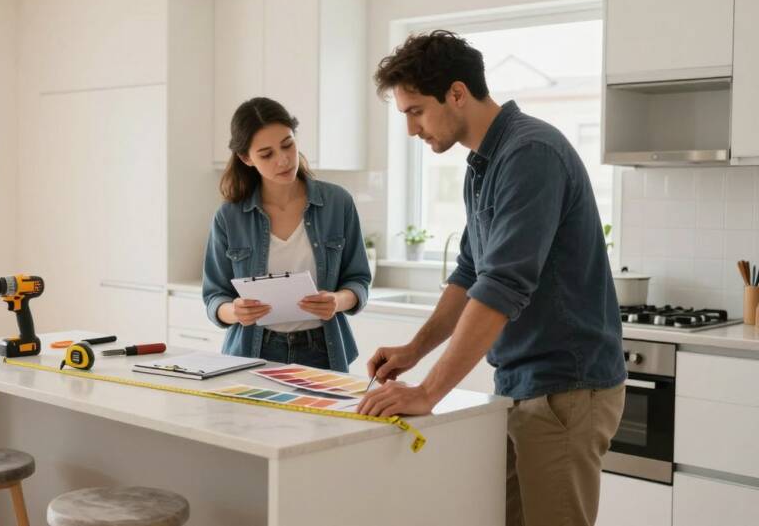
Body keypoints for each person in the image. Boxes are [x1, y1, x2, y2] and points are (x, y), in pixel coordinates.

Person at [358, 30, 626, 526]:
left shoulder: (531, 154)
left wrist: (427, 393)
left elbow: (501, 286)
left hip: (565, 387)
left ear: (457, 94)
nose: (411, 129)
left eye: (415, 111)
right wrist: (414, 351)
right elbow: (469, 272)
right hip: (521, 384)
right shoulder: (483, 165)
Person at [202, 97, 371, 372]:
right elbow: (214, 297)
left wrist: (337, 301)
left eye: (288, 144)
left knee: (324, 417)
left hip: (323, 351)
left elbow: (359, 280)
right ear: (246, 158)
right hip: (253, 353)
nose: (283, 160)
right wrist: (235, 311)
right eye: (266, 154)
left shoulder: (338, 203)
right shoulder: (229, 217)